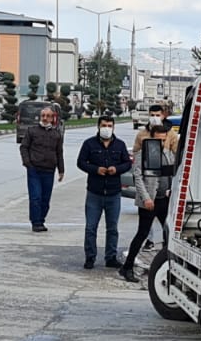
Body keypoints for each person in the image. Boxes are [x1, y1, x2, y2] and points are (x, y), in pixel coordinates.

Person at [119, 119, 179, 283]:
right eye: (157, 139)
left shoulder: (168, 153)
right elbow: (137, 177)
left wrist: (171, 191)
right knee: (142, 233)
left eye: (163, 139)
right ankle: (127, 267)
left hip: (164, 199)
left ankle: (168, 268)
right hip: (149, 200)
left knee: (169, 234)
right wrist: (146, 198)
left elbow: (172, 173)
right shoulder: (143, 154)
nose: (160, 142)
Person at [76, 115, 132, 269]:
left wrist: (117, 169)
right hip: (94, 192)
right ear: (98, 126)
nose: (106, 128)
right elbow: (80, 162)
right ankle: (90, 257)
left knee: (112, 228)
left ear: (113, 127)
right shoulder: (89, 144)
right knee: (90, 227)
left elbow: (127, 163)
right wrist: (95, 169)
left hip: (113, 193)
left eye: (109, 125)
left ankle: (111, 257)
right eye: (104, 125)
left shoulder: (120, 145)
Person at [20, 106, 65, 231]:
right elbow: (24, 147)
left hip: (49, 170)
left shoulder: (57, 134)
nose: (45, 118)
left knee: (45, 199)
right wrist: (27, 163)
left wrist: (61, 170)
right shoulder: (32, 131)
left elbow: (59, 152)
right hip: (34, 169)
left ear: (53, 118)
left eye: (48, 116)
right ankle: (36, 223)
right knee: (36, 197)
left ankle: (41, 219)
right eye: (43, 115)